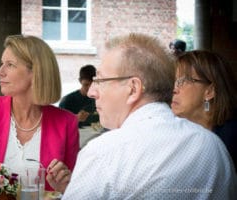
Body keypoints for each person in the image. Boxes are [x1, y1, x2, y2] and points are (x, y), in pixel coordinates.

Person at [60, 33, 237, 199]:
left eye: (100, 81)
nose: (91, 92)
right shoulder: (213, 145)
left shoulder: (103, 153)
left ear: (133, 89)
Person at [0, 35, 79, 199]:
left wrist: (66, 186)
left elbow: (73, 186)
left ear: (35, 72)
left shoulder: (67, 122)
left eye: (9, 65)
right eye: (1, 64)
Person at [171, 50, 237, 169]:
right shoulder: (173, 129)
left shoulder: (232, 138)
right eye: (174, 82)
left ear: (210, 91)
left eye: (183, 81)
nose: (174, 90)